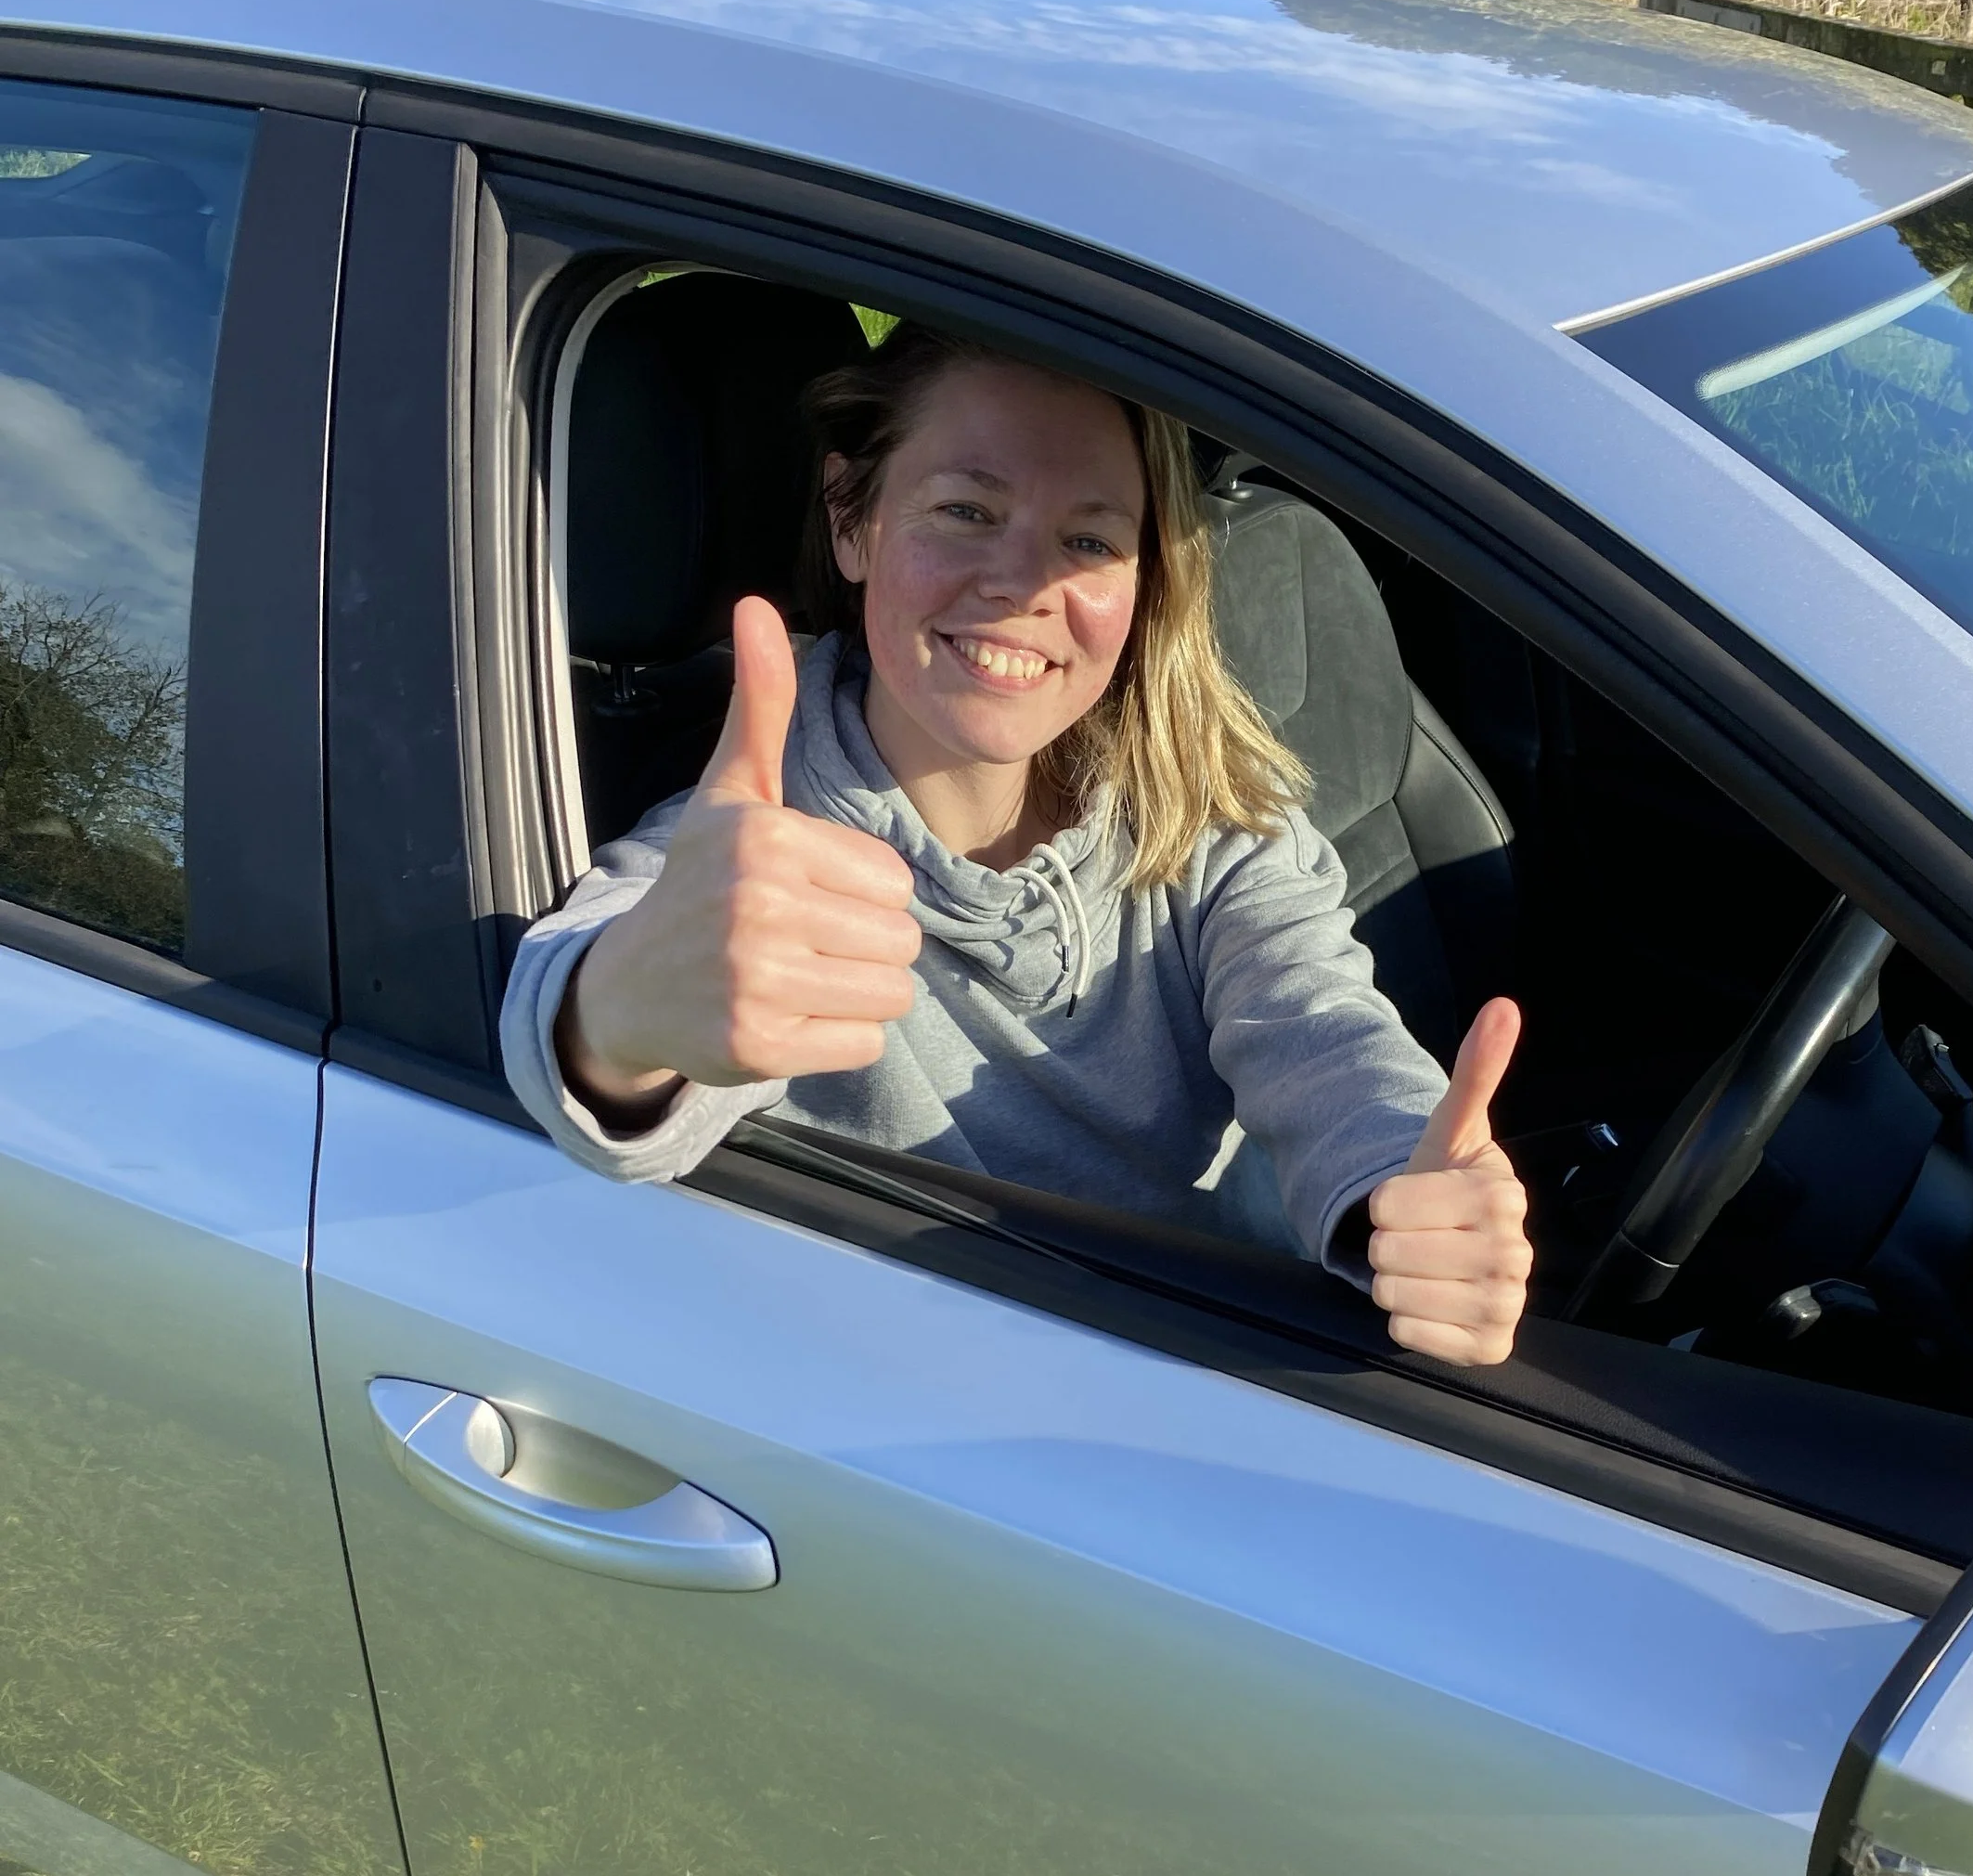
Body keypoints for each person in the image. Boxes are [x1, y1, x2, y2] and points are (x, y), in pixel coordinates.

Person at [502, 323, 1533, 1366]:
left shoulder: (1204, 811)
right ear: (850, 518)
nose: (1024, 582)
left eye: (1087, 541)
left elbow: (1321, 1029)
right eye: (965, 511)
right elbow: (611, 976)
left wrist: (1408, 1191)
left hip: (1223, 1367)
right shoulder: (762, 856)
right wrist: (620, 1021)